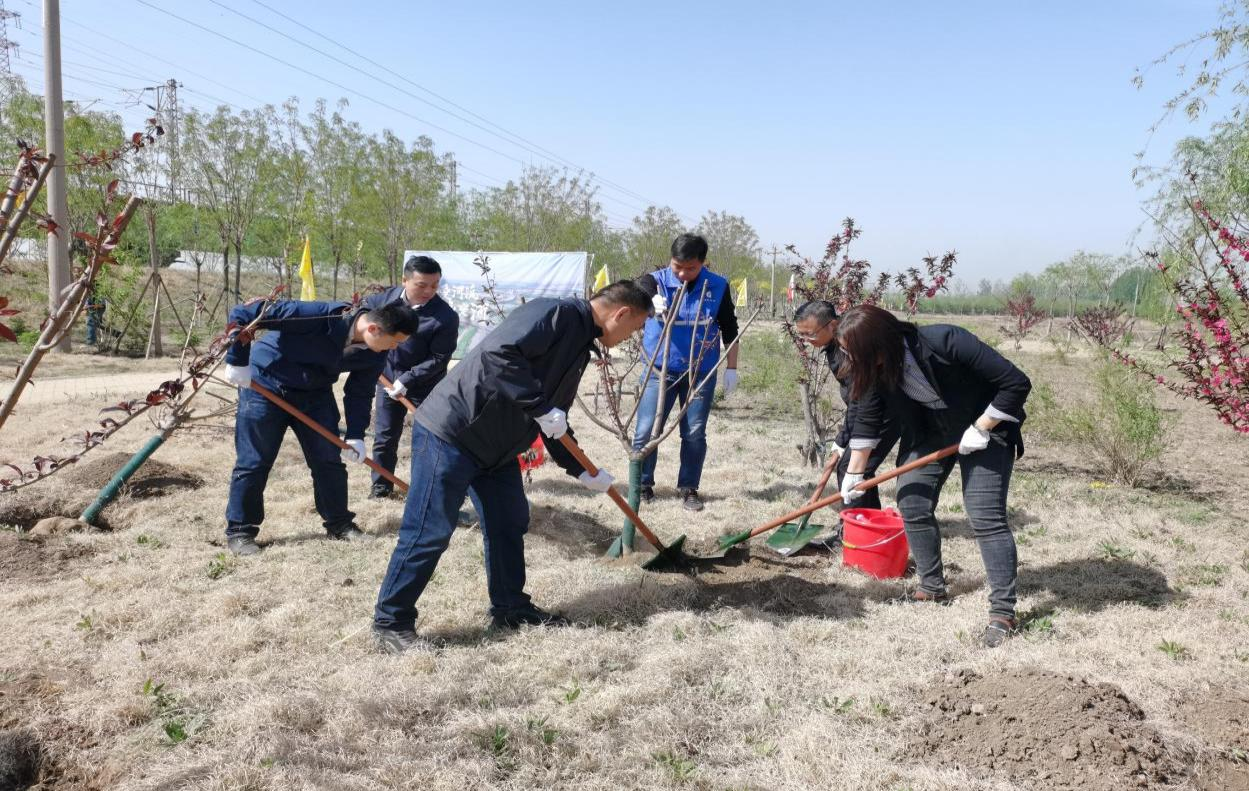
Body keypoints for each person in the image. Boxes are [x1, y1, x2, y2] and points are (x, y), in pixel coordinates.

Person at [372, 281, 653, 654]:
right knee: (430, 530)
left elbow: (553, 417)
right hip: (452, 432)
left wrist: (581, 470)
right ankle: (391, 621)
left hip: (496, 449)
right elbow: (498, 356)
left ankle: (510, 607)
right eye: (635, 328)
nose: (631, 336)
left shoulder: (580, 344)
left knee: (508, 522)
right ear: (621, 313)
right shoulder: (555, 313)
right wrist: (538, 405)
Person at [836, 304, 1031, 648]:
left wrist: (983, 426)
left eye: (855, 353)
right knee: (911, 501)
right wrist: (854, 472)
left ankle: (1002, 612)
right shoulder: (874, 369)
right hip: (930, 432)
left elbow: (1015, 382)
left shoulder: (946, 341)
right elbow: (866, 419)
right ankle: (931, 586)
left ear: (879, 346)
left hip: (985, 426)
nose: (850, 361)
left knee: (985, 515)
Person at [220, 299, 414, 556]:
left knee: (328, 460)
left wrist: (356, 435)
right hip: (265, 384)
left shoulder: (375, 351)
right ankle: (241, 531)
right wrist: (237, 359)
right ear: (374, 329)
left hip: (314, 392)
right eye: (395, 341)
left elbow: (360, 391)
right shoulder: (318, 316)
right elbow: (244, 312)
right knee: (254, 461)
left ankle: (339, 524)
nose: (395, 347)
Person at [632, 233, 740, 512]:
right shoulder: (656, 281)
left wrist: (731, 368)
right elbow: (637, 288)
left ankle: (689, 487)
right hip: (659, 370)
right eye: (676, 266)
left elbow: (730, 330)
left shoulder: (716, 286)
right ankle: (642, 484)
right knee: (647, 429)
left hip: (699, 373)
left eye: (689, 268)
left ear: (703, 264)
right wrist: (648, 298)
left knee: (694, 432)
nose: (681, 273)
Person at [362, 255, 460, 500]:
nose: (429, 291)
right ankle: (381, 486)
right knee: (385, 435)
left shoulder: (444, 316)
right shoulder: (381, 302)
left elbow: (439, 357)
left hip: (425, 385)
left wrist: (407, 380)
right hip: (386, 379)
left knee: (426, 439)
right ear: (405, 280)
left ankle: (423, 488)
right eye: (422, 285)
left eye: (435, 285)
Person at [792, 300, 899, 513]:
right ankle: (867, 521)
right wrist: (842, 441)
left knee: (852, 467)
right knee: (856, 468)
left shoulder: (851, 349)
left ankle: (851, 525)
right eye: (802, 335)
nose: (806, 340)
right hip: (865, 410)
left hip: (884, 411)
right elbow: (855, 401)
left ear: (832, 325)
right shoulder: (833, 349)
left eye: (810, 334)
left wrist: (843, 441)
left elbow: (861, 401)